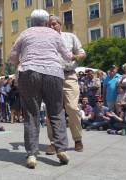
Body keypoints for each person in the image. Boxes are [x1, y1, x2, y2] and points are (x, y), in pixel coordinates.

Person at [10, 9, 78, 168]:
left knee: (31, 114)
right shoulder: (55, 34)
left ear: (31, 21)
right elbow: (68, 56)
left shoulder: (25, 34)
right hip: (53, 73)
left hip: (29, 72)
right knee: (56, 112)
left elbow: (13, 57)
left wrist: (21, 62)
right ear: (47, 22)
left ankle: (32, 155)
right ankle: (61, 149)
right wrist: (76, 56)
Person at [46, 15, 86, 154]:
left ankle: (78, 139)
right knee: (51, 111)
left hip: (69, 75)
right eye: (49, 25)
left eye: (54, 24)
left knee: (72, 108)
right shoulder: (44, 40)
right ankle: (54, 142)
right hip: (51, 77)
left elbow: (82, 53)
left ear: (60, 24)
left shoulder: (70, 37)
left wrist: (75, 57)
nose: (52, 26)